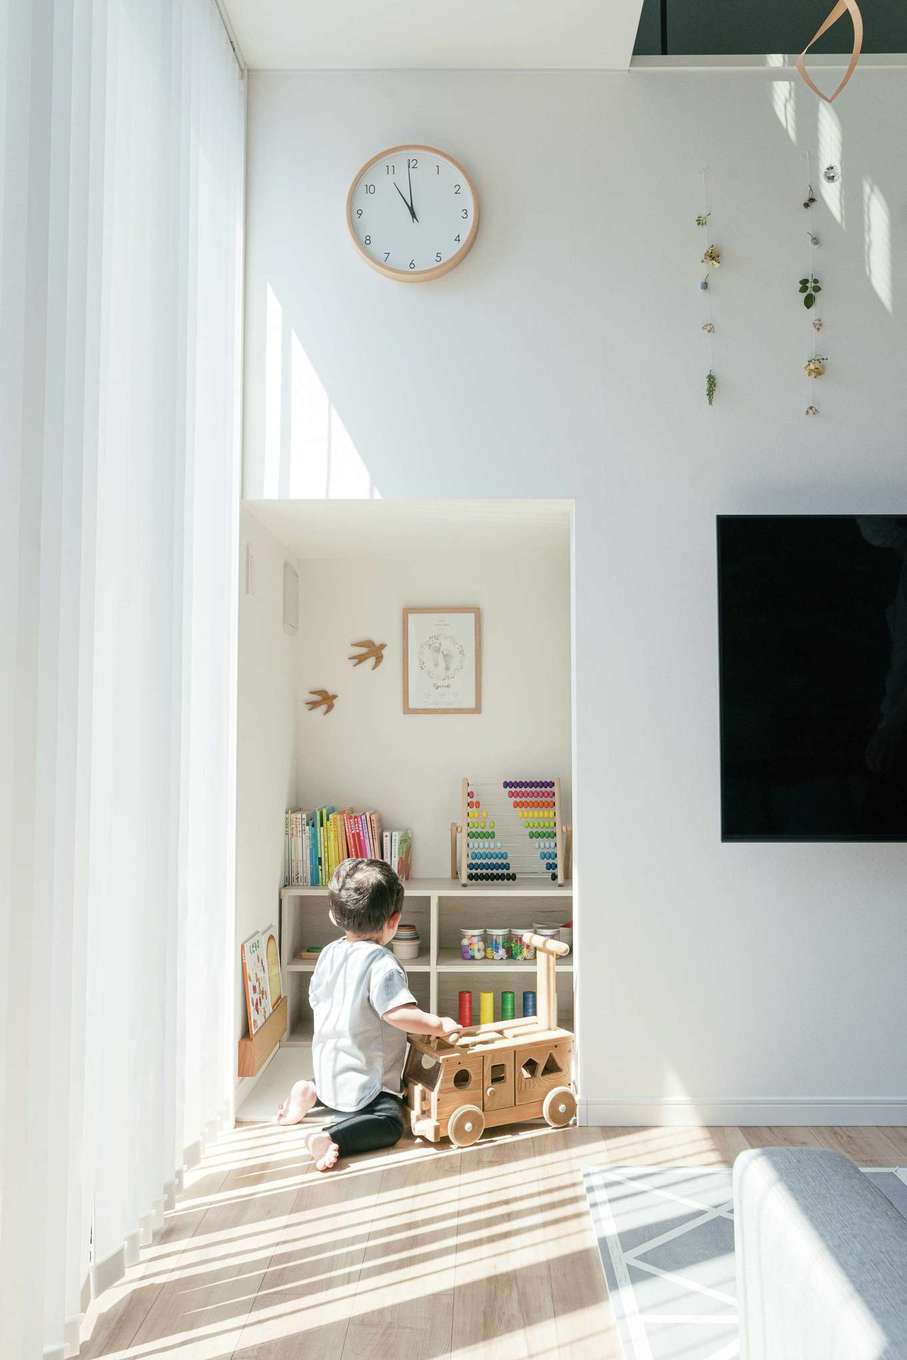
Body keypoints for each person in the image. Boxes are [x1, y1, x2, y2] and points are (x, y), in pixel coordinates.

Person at [275, 857, 461, 1170]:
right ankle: (328, 1137)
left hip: (329, 1072)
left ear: (333, 914)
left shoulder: (329, 953)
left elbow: (316, 998)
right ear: (394, 921)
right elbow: (397, 1013)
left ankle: (311, 1091)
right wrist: (437, 1024)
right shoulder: (381, 963)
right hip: (368, 1083)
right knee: (391, 1122)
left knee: (340, 1078)